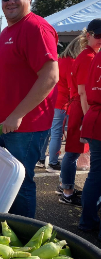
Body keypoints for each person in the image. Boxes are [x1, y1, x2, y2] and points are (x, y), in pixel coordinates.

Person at [0, 0, 59, 218]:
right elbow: (6, 75)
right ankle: (5, 227)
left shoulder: (36, 28)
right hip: (4, 122)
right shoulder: (6, 32)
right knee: (3, 179)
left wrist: (17, 114)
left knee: (21, 183)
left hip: (26, 127)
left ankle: (24, 240)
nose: (10, 1)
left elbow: (51, 77)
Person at [58, 19, 101, 206]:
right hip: (82, 109)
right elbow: (83, 92)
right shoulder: (89, 58)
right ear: (89, 36)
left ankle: (66, 187)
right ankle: (67, 191)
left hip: (79, 107)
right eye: (98, 36)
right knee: (73, 152)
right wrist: (87, 118)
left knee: (72, 152)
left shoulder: (85, 55)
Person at [37, 36, 83, 171]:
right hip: (62, 102)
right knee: (56, 132)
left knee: (49, 131)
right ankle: (52, 162)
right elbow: (72, 86)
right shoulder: (71, 62)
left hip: (52, 100)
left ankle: (40, 158)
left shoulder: (60, 59)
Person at [78, 45, 101, 241]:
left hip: (94, 118)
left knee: (95, 175)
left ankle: (87, 221)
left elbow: (85, 88)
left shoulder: (96, 56)